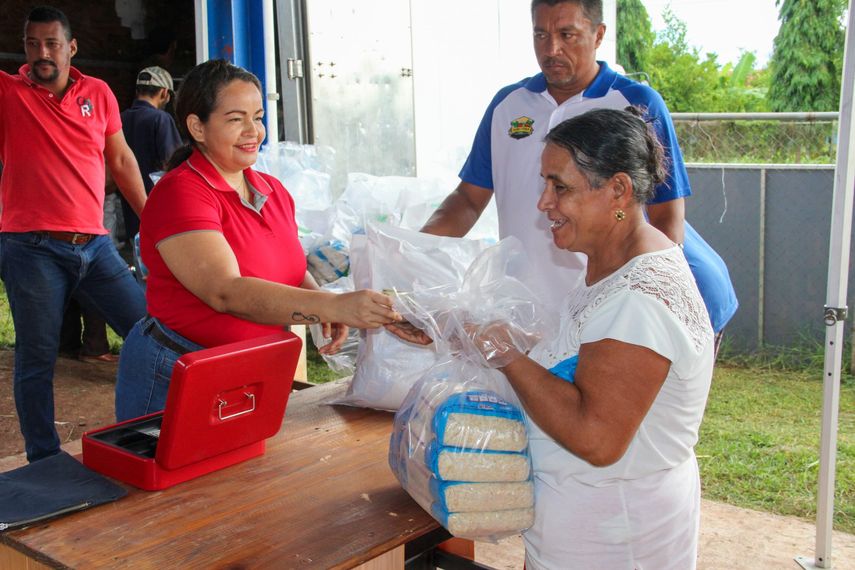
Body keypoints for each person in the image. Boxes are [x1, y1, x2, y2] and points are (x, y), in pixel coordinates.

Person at [394, 108, 714, 568]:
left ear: (618, 190)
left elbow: (596, 437)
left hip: (613, 538)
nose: (543, 203)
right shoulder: (613, 263)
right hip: (585, 523)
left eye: (559, 187)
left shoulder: (640, 298)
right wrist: (464, 330)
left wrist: (505, 354)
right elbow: (581, 357)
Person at [421, 0, 737, 350]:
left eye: (567, 34)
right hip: (538, 308)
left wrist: (634, 301)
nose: (551, 49)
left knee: (629, 402)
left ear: (598, 34)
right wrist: (413, 252)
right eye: (541, 34)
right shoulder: (507, 106)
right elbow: (467, 200)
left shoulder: (634, 103)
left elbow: (666, 218)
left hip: (620, 306)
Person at [115, 60, 401, 421]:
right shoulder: (181, 193)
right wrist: (335, 306)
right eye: (236, 119)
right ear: (197, 127)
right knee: (172, 475)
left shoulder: (271, 190)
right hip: (178, 368)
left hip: (250, 366)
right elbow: (225, 292)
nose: (253, 131)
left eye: (258, 116)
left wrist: (320, 302)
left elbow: (289, 267)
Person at [0, 6, 148, 462]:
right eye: (32, 44)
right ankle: (44, 459)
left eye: (51, 44)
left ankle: (157, 433)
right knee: (37, 357)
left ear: (71, 47)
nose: (41, 53)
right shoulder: (8, 92)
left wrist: (156, 222)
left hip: (95, 245)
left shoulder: (98, 93)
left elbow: (120, 162)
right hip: (32, 248)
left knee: (150, 333)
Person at [119, 66, 183, 243]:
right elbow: (174, 163)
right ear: (164, 93)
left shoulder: (120, 118)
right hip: (159, 208)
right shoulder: (161, 119)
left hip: (130, 206)